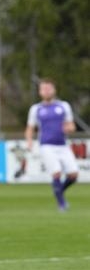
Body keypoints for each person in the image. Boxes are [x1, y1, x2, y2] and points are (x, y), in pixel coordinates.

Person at [25, 79, 78, 211]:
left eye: (49, 88)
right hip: (46, 145)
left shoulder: (64, 106)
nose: (47, 91)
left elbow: (71, 125)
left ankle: (58, 191)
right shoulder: (36, 109)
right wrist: (29, 141)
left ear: (54, 90)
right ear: (40, 92)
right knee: (56, 173)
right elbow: (30, 127)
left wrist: (69, 129)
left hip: (63, 145)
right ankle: (62, 204)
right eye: (44, 88)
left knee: (73, 175)